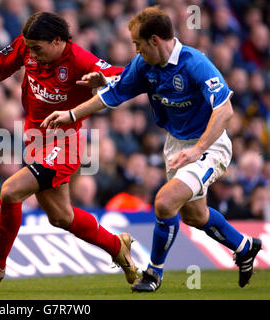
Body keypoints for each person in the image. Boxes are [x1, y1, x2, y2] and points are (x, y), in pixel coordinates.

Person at [41, 6, 262, 292]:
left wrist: (198, 150)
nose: (135, 49)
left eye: (138, 43)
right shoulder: (143, 65)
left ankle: (153, 274)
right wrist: (71, 114)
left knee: (165, 202)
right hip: (176, 144)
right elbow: (112, 96)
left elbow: (225, 110)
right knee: (195, 216)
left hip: (210, 144)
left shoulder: (194, 63)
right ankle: (244, 246)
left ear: (155, 40)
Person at [0, 12, 137, 288]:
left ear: (58, 41)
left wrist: (103, 80)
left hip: (66, 143)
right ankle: (117, 246)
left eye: (37, 48)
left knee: (10, 191)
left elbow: (126, 77)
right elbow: (2, 68)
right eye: (29, 48)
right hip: (36, 139)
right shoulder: (28, 45)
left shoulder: (81, 60)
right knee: (61, 217)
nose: (31, 54)